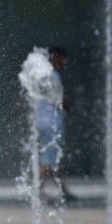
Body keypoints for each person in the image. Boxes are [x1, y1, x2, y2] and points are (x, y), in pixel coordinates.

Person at [36, 46, 77, 204]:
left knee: (52, 158)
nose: (64, 62)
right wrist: (68, 107)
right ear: (55, 58)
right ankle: (37, 191)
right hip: (52, 122)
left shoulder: (40, 75)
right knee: (47, 159)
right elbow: (58, 99)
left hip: (42, 120)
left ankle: (63, 189)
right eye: (62, 58)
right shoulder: (53, 76)